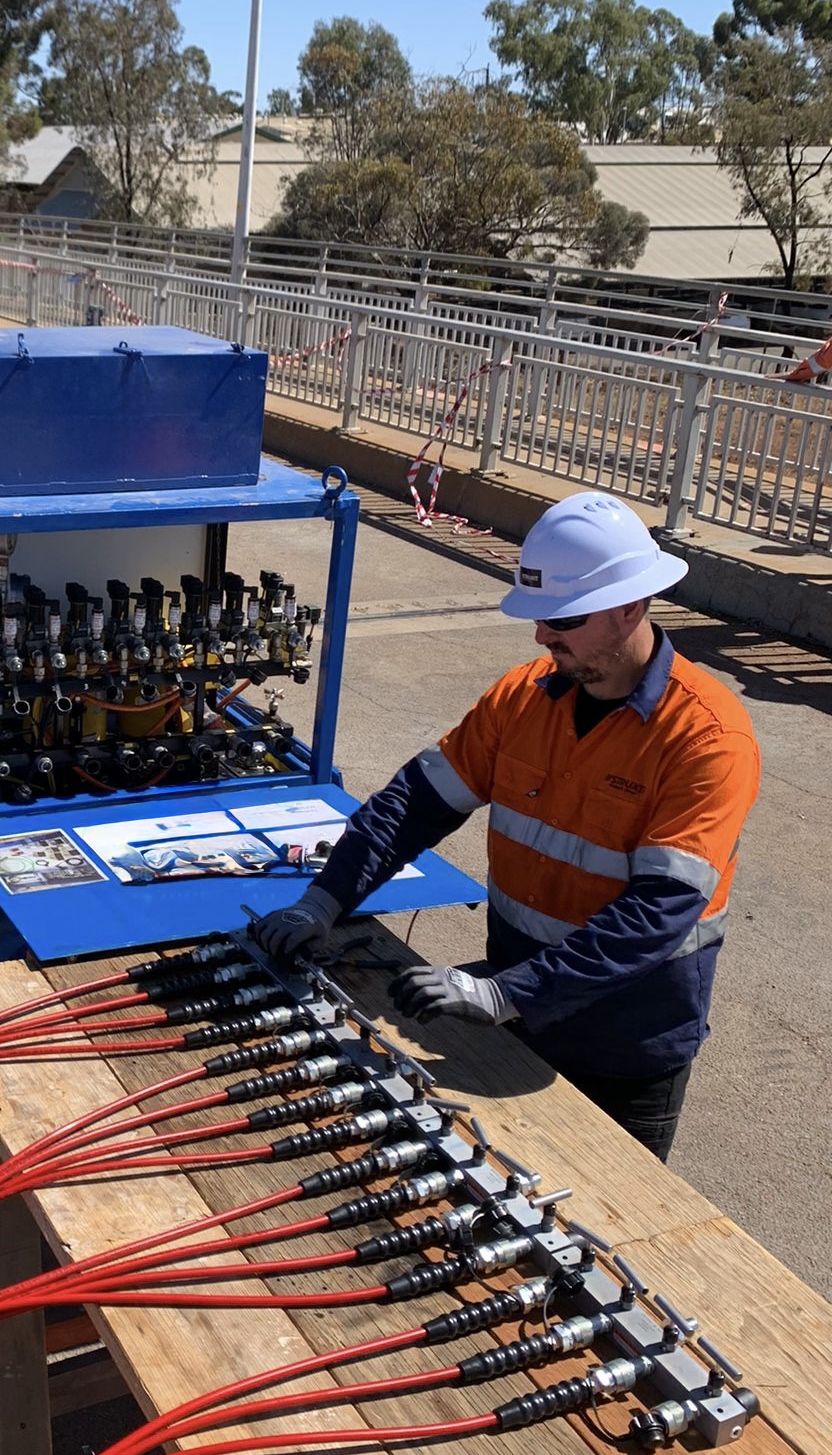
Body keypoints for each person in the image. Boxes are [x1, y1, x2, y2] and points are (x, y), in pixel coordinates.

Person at [251, 491, 761, 1161]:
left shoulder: (707, 736)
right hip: (512, 1013)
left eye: (563, 621)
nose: (543, 638)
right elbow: (414, 804)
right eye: (540, 620)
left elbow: (658, 915)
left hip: (624, 1043)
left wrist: (505, 993)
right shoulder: (524, 697)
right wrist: (323, 900)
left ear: (631, 607)